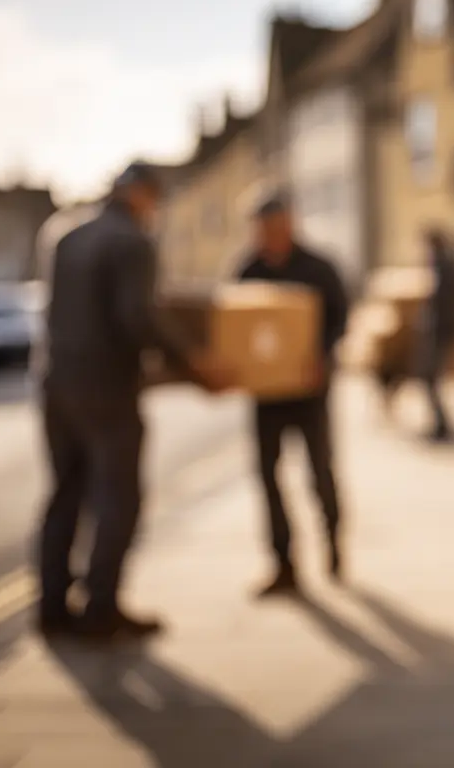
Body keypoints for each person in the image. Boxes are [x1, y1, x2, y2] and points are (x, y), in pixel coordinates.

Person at [38, 162, 229, 642]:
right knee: (118, 499)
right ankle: (101, 608)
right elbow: (137, 318)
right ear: (142, 196)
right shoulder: (132, 243)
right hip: (107, 387)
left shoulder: (67, 236)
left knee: (65, 494)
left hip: (56, 383)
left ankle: (52, 608)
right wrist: (193, 364)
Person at [237, 190, 350, 596]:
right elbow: (234, 330)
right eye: (262, 230)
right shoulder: (247, 270)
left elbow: (341, 320)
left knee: (319, 471)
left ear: (289, 225)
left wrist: (321, 355)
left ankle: (334, 543)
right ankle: (283, 563)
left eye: (275, 228)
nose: (269, 237)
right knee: (268, 477)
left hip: (309, 391)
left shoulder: (319, 269)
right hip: (266, 396)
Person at [419, 228, 454, 442]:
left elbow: (443, 302)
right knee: (431, 380)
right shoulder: (447, 264)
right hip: (444, 328)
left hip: (441, 330)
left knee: (430, 378)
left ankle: (442, 425)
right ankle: (440, 423)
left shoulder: (443, 265)